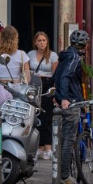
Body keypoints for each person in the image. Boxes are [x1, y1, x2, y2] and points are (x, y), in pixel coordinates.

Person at [51, 28, 91, 184]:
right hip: (72, 101)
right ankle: (65, 176)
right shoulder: (75, 57)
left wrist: (57, 96)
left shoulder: (65, 55)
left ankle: (60, 173)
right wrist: (65, 98)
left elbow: (56, 76)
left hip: (63, 100)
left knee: (62, 139)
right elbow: (65, 76)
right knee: (68, 140)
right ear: (84, 45)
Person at [28, 31, 58, 161]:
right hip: (34, 86)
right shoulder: (30, 54)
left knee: (47, 117)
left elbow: (55, 75)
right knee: (35, 117)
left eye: (44, 40)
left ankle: (48, 147)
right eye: (39, 40)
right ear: (35, 42)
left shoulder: (52, 55)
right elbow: (27, 71)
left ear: (47, 42)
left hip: (47, 86)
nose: (42, 43)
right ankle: (38, 147)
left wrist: (55, 91)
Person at [0, 25, 29, 108]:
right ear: (16, 39)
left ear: (2, 38)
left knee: (0, 116)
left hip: (1, 87)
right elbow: (28, 78)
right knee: (16, 116)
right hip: (17, 89)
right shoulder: (22, 54)